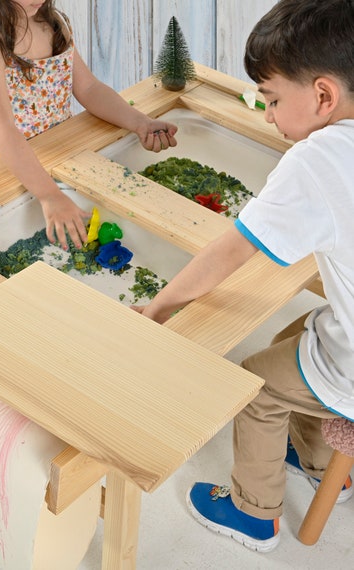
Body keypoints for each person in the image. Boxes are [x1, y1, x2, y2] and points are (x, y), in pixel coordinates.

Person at [133, 0, 354, 553]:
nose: (268, 116)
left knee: (254, 386)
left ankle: (252, 515)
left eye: (274, 100)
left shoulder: (317, 160)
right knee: (295, 336)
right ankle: (320, 457)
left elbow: (232, 251)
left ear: (323, 96)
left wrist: (160, 306)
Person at [0, 0, 178, 250]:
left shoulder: (53, 24)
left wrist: (139, 122)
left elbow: (89, 88)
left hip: (57, 151)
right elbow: (3, 132)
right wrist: (50, 196)